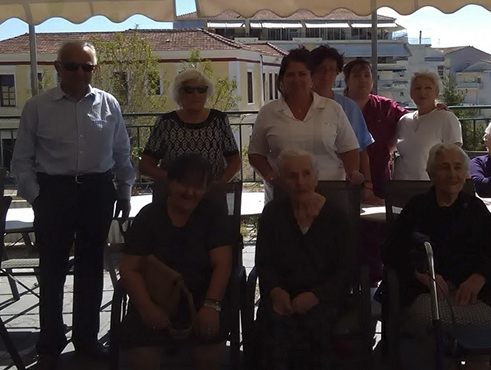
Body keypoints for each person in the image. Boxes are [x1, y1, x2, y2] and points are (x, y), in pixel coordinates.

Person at [10, 40, 136, 369]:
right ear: (58, 67)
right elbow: (21, 159)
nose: (80, 73)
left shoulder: (109, 104)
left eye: (87, 67)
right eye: (72, 66)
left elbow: (122, 152)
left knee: (91, 269)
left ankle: (86, 339)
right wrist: (38, 197)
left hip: (97, 190)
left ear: (95, 69)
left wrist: (124, 191)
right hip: (54, 192)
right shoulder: (38, 106)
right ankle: (50, 344)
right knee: (52, 271)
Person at [381, 143, 491, 370]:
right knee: (432, 320)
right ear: (431, 174)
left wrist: (480, 277)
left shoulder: (475, 208)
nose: (452, 174)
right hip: (424, 293)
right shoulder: (417, 207)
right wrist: (420, 275)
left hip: (469, 294)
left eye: (457, 167)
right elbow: (390, 251)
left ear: (465, 173)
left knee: (483, 324)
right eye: (444, 167)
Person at [119, 154, 232, 370]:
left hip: (201, 300)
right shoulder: (149, 216)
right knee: (142, 353)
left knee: (209, 347)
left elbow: (223, 265)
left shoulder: (213, 215)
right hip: (155, 299)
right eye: (184, 184)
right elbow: (128, 268)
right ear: (171, 183)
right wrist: (147, 308)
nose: (190, 192)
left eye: (197, 187)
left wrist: (211, 306)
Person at [254, 150, 354, 369]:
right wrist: (276, 291)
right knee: (274, 327)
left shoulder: (336, 217)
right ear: (282, 181)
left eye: (306, 174)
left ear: (316, 178)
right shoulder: (272, 214)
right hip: (282, 296)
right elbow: (264, 262)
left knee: (316, 329)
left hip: (324, 298)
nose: (300, 182)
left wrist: (316, 296)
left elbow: (346, 270)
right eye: (292, 176)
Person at [248, 47, 362, 202]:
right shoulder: (268, 112)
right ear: (282, 79)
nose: (296, 79)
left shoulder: (333, 109)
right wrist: (270, 175)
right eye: (291, 75)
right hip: (283, 193)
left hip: (329, 192)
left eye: (302, 74)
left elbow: (349, 149)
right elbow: (255, 154)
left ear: (311, 78)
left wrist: (352, 172)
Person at [140, 69, 241, 201]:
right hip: (174, 198)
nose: (196, 94)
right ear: (178, 93)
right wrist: (176, 179)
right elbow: (145, 166)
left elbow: (235, 160)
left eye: (201, 90)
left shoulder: (219, 120)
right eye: (189, 90)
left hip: (211, 196)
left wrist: (221, 182)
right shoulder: (166, 123)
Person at [309, 45, 380, 205]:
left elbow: (361, 149)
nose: (326, 74)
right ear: (311, 71)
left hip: (340, 184)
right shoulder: (300, 105)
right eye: (321, 69)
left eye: (332, 69)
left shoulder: (348, 107)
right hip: (302, 183)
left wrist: (368, 186)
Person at [343, 59, 409, 198]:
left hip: (380, 179)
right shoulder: (337, 108)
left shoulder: (386, 107)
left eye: (367, 75)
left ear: (373, 80)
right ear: (346, 81)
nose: (362, 79)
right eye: (356, 75)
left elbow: (414, 120)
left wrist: (435, 109)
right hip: (345, 180)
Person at [393, 71, 463, 180]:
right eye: (417, 88)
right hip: (401, 183)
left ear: (436, 92)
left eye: (428, 88)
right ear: (411, 94)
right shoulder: (404, 120)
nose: (422, 92)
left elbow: (455, 155)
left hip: (430, 183)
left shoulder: (446, 118)